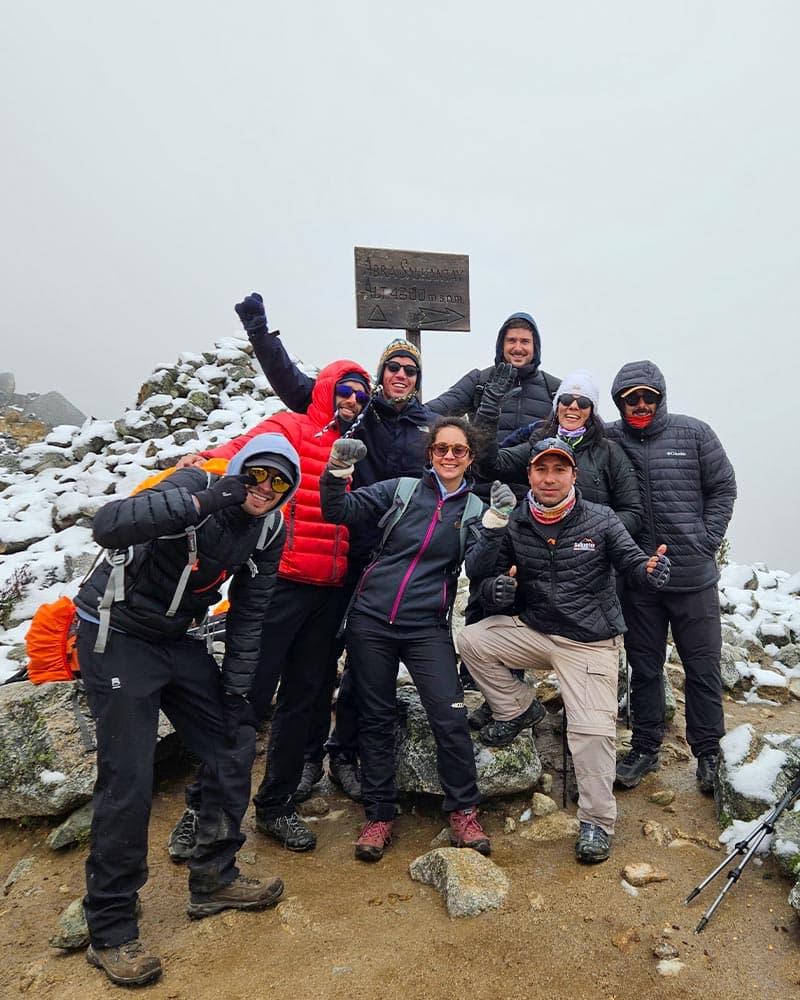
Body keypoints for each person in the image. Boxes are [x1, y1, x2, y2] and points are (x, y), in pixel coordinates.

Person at [74, 432, 300, 988]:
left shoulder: (271, 527)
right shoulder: (195, 486)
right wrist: (212, 496)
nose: (265, 489)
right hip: (118, 631)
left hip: (179, 637)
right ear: (239, 471)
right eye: (257, 474)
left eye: (280, 482)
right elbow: (110, 523)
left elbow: (251, 614)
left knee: (232, 740)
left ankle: (214, 877)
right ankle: (109, 927)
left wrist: (236, 688)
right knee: (128, 776)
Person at [233, 292, 439, 800]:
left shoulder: (429, 425)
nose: (402, 375)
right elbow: (297, 386)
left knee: (366, 666)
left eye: (410, 370)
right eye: (393, 367)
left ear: (417, 380)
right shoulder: (356, 413)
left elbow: (463, 461)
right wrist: (261, 333)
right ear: (380, 374)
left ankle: (344, 752)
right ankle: (305, 760)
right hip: (343, 554)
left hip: (393, 565)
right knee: (318, 666)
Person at [172, 358, 373, 854]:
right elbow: (244, 451)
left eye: (361, 398)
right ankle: (203, 808)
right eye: (347, 391)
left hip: (330, 589)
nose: (353, 402)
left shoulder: (358, 449)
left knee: (305, 701)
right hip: (275, 581)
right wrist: (206, 459)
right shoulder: (291, 425)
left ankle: (276, 805)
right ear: (328, 389)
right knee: (247, 697)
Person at [457, 438, 671, 865]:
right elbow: (482, 571)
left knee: (591, 735)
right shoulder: (517, 519)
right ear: (530, 476)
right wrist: (495, 590)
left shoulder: (601, 518)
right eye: (541, 470)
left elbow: (632, 564)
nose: (549, 479)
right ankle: (518, 708)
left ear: (574, 476)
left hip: (589, 642)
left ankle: (596, 820)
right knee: (470, 639)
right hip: (536, 632)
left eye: (559, 470)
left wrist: (651, 571)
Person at [319, 417, 495, 862]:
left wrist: (493, 528)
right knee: (374, 718)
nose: (449, 457)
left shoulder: (475, 510)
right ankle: (379, 815)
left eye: (458, 450)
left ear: (470, 457)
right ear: (430, 454)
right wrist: (337, 471)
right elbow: (339, 511)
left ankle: (463, 811)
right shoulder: (400, 490)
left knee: (450, 717)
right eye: (441, 449)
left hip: (426, 628)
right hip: (371, 621)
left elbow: (477, 567)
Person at [466, 368, 643, 729]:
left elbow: (633, 510)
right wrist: (489, 408)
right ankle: (509, 699)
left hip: (585, 564)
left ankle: (579, 709)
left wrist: (597, 537)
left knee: (576, 632)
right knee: (505, 602)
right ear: (556, 403)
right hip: (533, 548)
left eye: (582, 401)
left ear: (592, 409)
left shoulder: (608, 451)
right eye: (566, 399)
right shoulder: (538, 439)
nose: (573, 406)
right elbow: (490, 464)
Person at [606, 361, 737, 794]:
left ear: (660, 397)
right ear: (619, 402)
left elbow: (723, 487)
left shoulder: (694, 433)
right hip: (639, 580)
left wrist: (706, 538)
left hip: (694, 579)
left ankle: (709, 752)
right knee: (644, 668)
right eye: (631, 398)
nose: (640, 405)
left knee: (702, 668)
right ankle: (645, 746)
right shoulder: (608, 438)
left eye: (648, 397)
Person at [426, 312, 560, 444]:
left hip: (535, 464)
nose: (518, 348)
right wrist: (462, 437)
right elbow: (427, 412)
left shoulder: (554, 389)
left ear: (535, 347)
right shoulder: (479, 381)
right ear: (501, 346)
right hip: (485, 464)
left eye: (525, 342)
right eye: (511, 341)